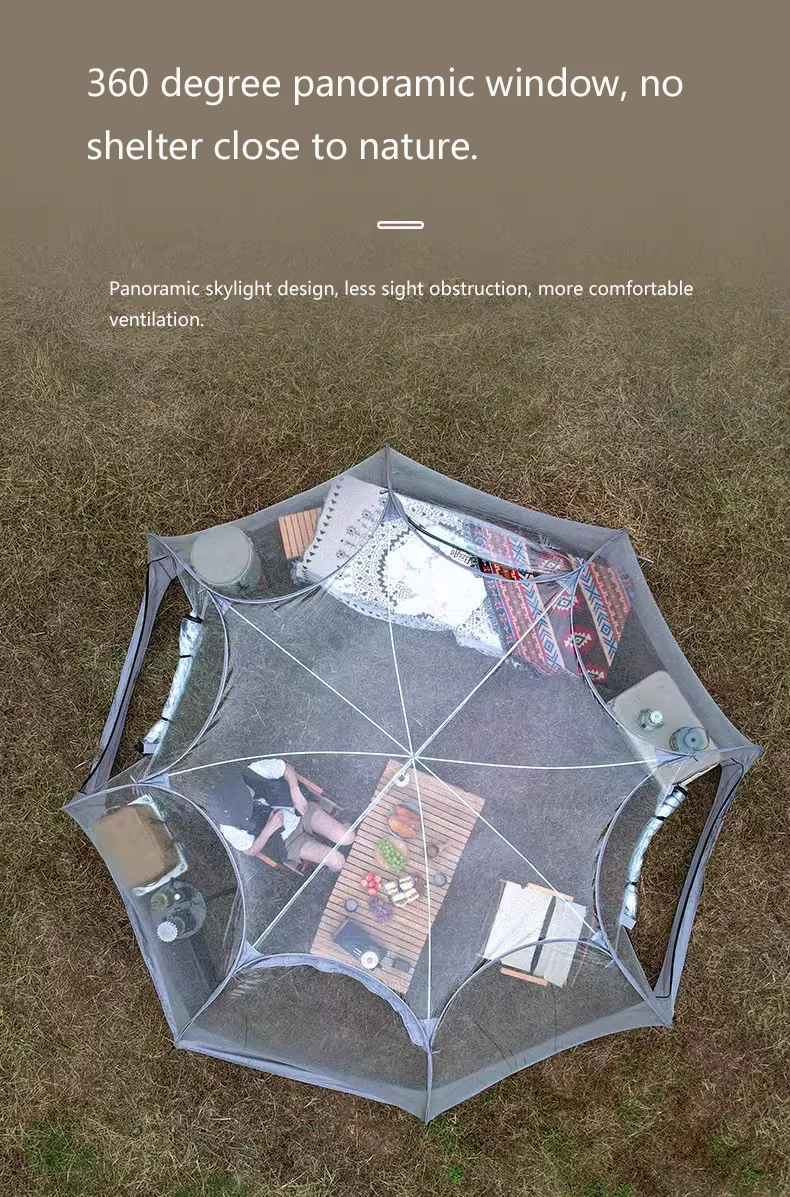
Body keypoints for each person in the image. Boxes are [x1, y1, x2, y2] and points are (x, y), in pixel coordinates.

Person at [216, 758, 355, 871]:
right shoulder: (229, 825)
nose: (249, 794)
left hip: (301, 811)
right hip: (286, 841)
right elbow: (250, 851)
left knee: (347, 837)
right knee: (338, 861)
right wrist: (269, 829)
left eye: (246, 790)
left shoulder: (253, 772)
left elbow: (286, 768)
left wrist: (295, 792)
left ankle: (339, 831)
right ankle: (329, 856)